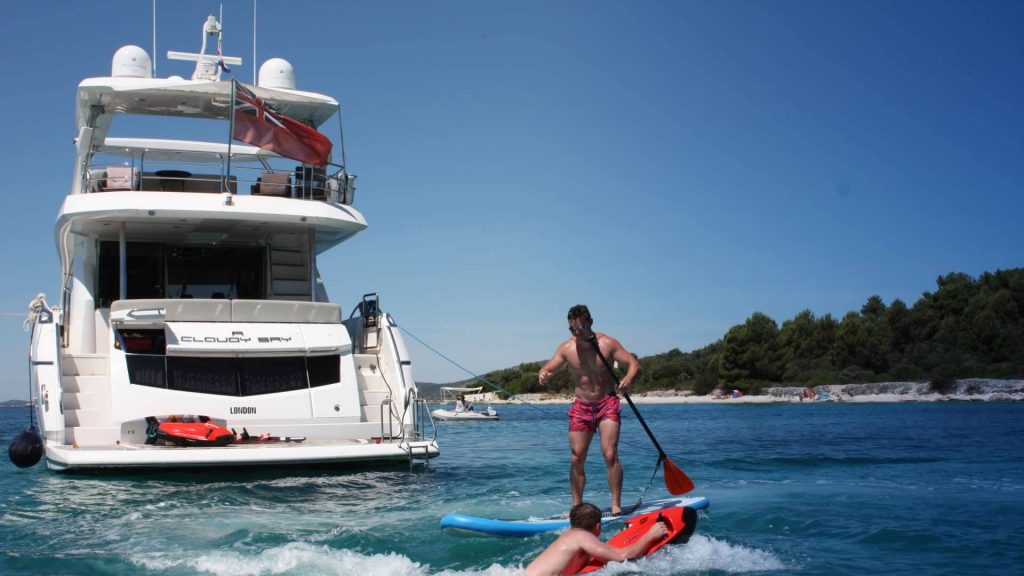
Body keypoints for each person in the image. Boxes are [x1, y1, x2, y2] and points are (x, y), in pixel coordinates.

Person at [538, 304, 641, 515]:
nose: (577, 332)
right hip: (581, 407)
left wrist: (628, 379)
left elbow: (633, 364)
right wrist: (543, 375)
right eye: (572, 329)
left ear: (591, 322)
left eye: (581, 327)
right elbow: (547, 368)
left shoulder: (607, 343)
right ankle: (576, 506)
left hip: (607, 403)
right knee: (576, 457)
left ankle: (615, 505)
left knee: (610, 453)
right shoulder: (566, 348)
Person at [525, 502, 667, 576]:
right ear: (598, 526)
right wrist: (650, 535)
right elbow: (622, 556)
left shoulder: (567, 536)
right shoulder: (582, 537)